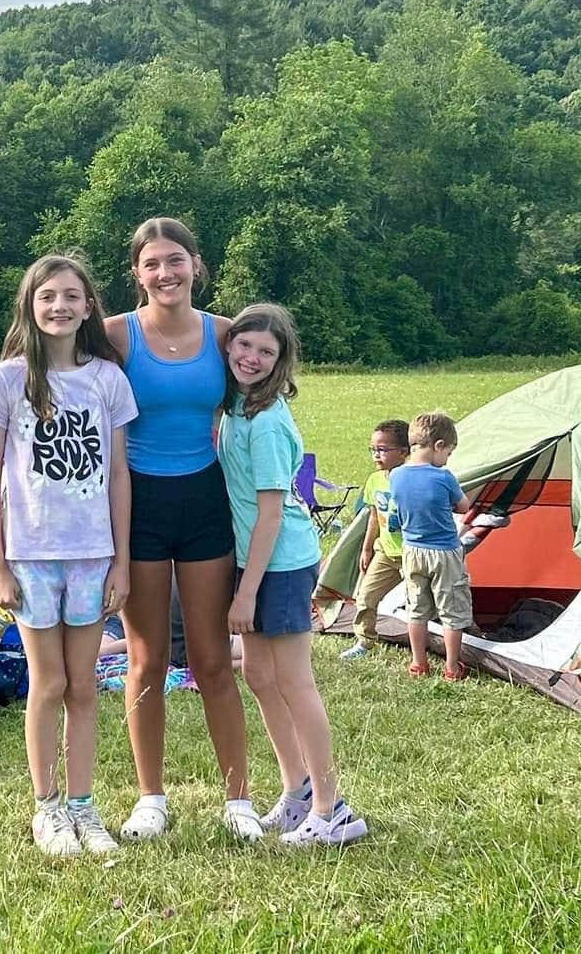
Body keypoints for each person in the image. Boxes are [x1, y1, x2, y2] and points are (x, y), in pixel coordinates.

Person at [0, 254, 137, 859]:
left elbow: (119, 474)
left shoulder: (107, 381)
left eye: (72, 296)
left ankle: (83, 807)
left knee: (85, 688)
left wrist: (120, 560)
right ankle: (46, 808)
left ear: (89, 307)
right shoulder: (7, 380)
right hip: (32, 558)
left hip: (93, 556)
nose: (60, 306)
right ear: (30, 306)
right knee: (48, 684)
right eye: (48, 297)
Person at [103, 217, 257, 843]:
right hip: (136, 506)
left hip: (204, 503)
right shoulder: (115, 335)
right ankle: (150, 797)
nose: (165, 273)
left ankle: (239, 798)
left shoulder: (225, 335)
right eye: (152, 264)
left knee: (213, 658)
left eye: (176, 261)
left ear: (196, 264)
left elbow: (265, 404)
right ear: (137, 274)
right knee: (146, 660)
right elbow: (42, 366)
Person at [220, 302, 367, 847]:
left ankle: (333, 811)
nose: (252, 357)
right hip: (253, 558)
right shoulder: (236, 405)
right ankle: (297, 791)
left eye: (267, 351)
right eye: (244, 344)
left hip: (279, 562)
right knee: (259, 676)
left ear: (281, 362)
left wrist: (246, 593)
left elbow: (273, 512)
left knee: (294, 681)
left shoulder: (266, 422)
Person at [388, 411, 472, 681]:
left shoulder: (396, 476)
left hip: (412, 551)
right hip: (444, 552)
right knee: (452, 611)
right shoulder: (444, 476)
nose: (447, 459)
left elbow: (395, 513)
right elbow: (463, 506)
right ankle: (452, 666)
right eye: (448, 452)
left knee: (416, 608)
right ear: (438, 446)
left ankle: (418, 663)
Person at [342, 419, 410, 660]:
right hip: (384, 551)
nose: (376, 455)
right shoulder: (375, 480)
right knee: (366, 597)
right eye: (373, 449)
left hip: (411, 553)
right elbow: (373, 515)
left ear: (404, 452)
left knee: (421, 602)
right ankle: (364, 641)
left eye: (382, 449)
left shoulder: (412, 479)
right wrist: (367, 547)